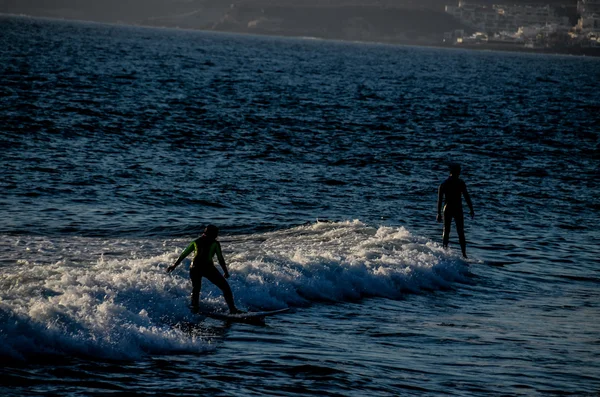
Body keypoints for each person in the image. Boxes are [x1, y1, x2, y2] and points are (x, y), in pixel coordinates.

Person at [167, 225, 241, 314]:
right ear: (212, 234)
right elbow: (220, 259)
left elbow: (184, 254)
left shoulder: (196, 242)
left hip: (194, 268)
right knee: (226, 288)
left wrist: (174, 265)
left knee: (196, 289)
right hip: (208, 268)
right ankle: (232, 310)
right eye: (216, 234)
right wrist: (225, 271)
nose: (217, 235)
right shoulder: (215, 243)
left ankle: (194, 309)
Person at [437, 163, 475, 258]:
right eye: (459, 171)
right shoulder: (459, 183)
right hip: (456, 208)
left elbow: (440, 200)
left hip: (448, 208)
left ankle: (445, 251)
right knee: (459, 231)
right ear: (456, 172)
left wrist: (438, 213)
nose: (459, 173)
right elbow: (466, 197)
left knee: (447, 230)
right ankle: (464, 254)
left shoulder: (444, 183)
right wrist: (471, 209)